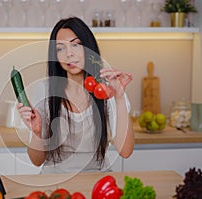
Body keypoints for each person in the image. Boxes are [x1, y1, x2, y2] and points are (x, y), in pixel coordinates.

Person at [17, 17, 134, 174]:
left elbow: (125, 151)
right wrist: (37, 133)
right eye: (60, 48)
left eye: (76, 45)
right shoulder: (45, 89)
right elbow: (37, 161)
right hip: (54, 183)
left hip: (98, 181)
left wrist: (119, 97)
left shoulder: (108, 88)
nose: (69, 54)